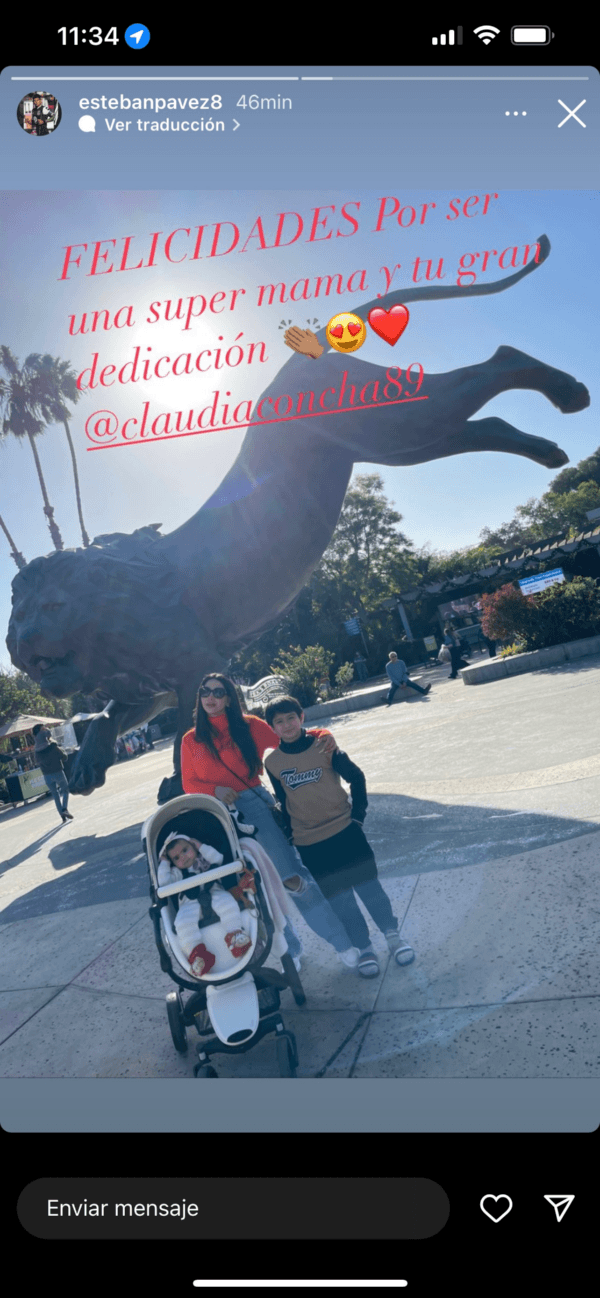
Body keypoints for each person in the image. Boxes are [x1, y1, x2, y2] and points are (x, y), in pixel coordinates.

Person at [180, 674, 359, 968]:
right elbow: (189, 783)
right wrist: (215, 791)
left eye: (218, 692)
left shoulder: (249, 725)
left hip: (253, 805)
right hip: (218, 816)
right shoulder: (191, 740)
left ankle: (341, 942)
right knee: (253, 888)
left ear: (229, 698)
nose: (211, 697)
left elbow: (291, 738)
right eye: (205, 691)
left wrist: (323, 733)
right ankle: (290, 951)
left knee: (291, 877)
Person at [264, 695, 415, 978]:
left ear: (301, 717)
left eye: (291, 718)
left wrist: (358, 815)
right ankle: (364, 948)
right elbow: (283, 800)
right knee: (341, 900)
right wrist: (290, 835)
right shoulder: (272, 762)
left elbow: (356, 777)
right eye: (279, 721)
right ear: (272, 728)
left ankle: (393, 936)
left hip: (345, 832)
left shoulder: (323, 745)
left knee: (370, 889)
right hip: (310, 843)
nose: (287, 725)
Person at [31, 724, 73, 822]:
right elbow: (64, 756)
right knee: (65, 790)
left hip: (46, 775)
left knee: (55, 795)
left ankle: (62, 815)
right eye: (44, 728)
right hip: (58, 772)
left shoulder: (36, 750)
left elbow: (37, 762)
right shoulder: (52, 746)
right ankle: (64, 809)